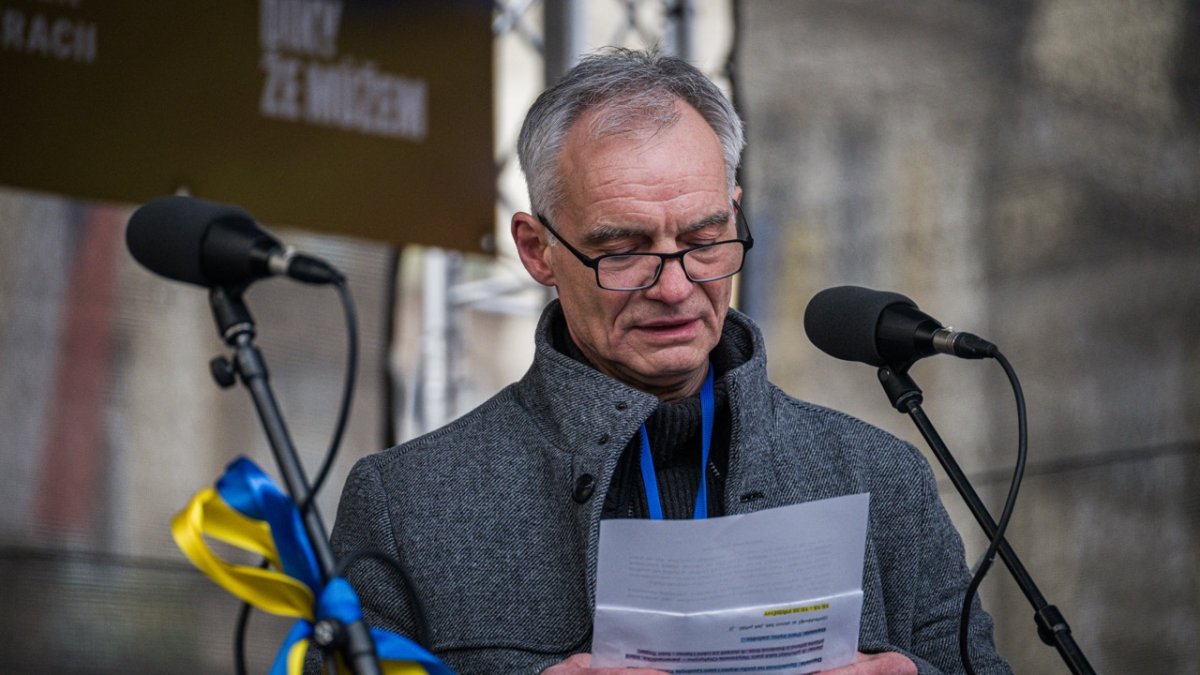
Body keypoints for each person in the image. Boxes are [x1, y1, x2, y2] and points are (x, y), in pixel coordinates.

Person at [327, 48, 1011, 675]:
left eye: (705, 239)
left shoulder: (881, 478)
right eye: (622, 250)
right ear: (538, 250)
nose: (677, 287)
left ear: (735, 214)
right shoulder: (407, 505)